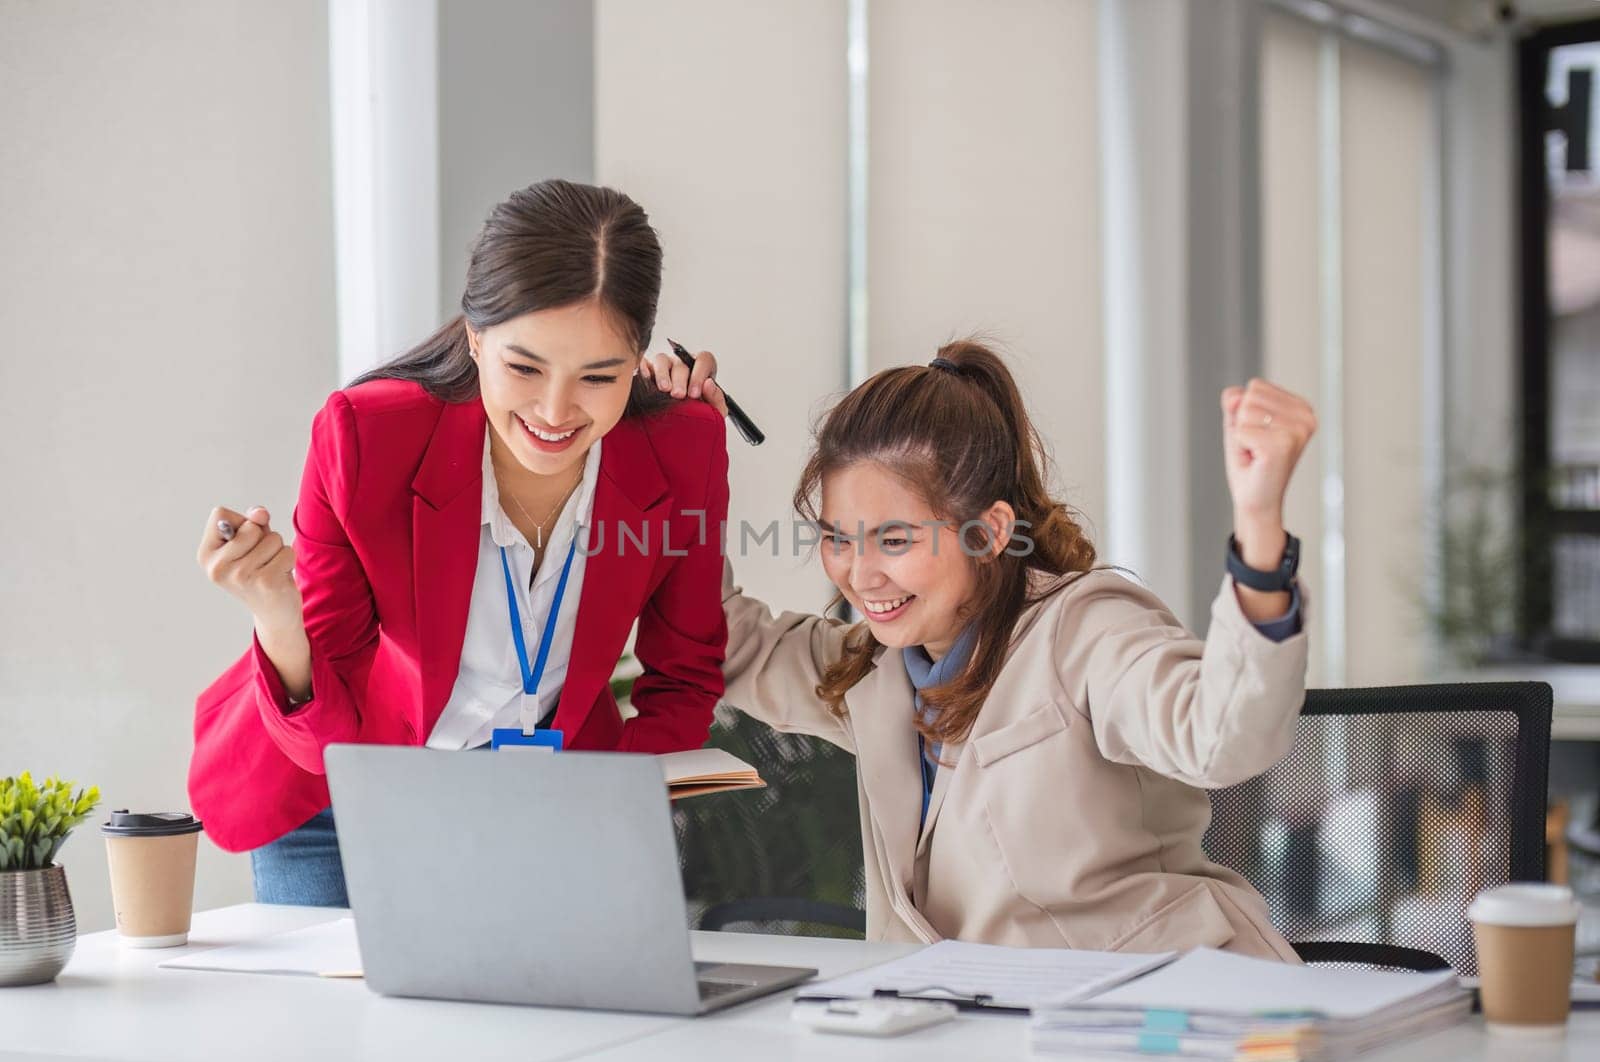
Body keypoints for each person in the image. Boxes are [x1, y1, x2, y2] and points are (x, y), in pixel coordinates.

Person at [643, 340, 1316, 958]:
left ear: (990, 532)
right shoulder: (873, 668)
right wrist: (672, 454)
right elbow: (724, 641)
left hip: (1165, 1011)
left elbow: (1223, 736)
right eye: (838, 538)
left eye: (895, 540)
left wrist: (1259, 531)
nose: (860, 573)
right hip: (970, 1026)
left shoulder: (1086, 630)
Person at [192, 180, 729, 906]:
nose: (554, 410)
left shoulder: (681, 448)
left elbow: (686, 675)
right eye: (524, 367)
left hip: (548, 797)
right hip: (345, 793)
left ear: (638, 358)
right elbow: (335, 734)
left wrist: (609, 800)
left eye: (598, 376)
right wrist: (275, 613)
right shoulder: (365, 438)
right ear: (475, 336)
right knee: (338, 1019)